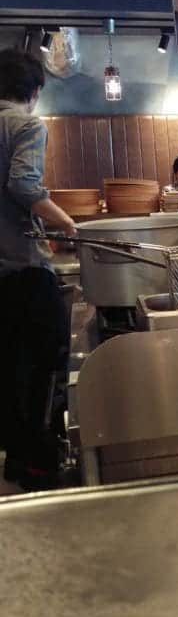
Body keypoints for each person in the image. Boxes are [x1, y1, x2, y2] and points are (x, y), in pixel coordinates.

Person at [0, 48, 76, 490]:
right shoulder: (26, 124)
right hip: (25, 271)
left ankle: (15, 459)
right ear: (35, 91)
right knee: (47, 364)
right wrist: (65, 223)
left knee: (10, 366)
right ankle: (38, 465)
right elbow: (23, 184)